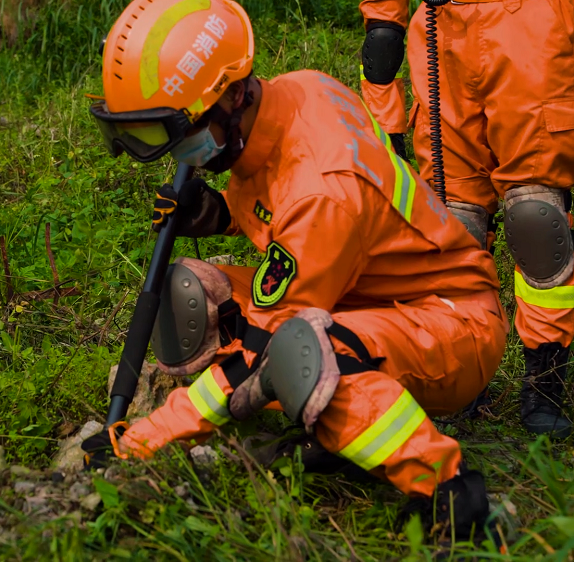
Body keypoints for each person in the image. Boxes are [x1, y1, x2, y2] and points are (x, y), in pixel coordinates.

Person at [85, 0, 508, 540]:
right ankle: (336, 434)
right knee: (196, 292)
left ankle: (451, 493)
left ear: (234, 93)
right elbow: (283, 202)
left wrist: (141, 442)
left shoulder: (323, 189)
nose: (171, 150)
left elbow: (268, 342)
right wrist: (217, 215)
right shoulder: (298, 91)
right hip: (361, 289)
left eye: (174, 132)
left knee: (299, 354)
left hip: (452, 322)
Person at [358, 0, 574, 436]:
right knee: (453, 225)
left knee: (537, 218)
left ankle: (545, 382)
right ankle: (461, 368)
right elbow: (382, 29)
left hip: (531, 30)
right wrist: (385, 118)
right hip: (441, 35)